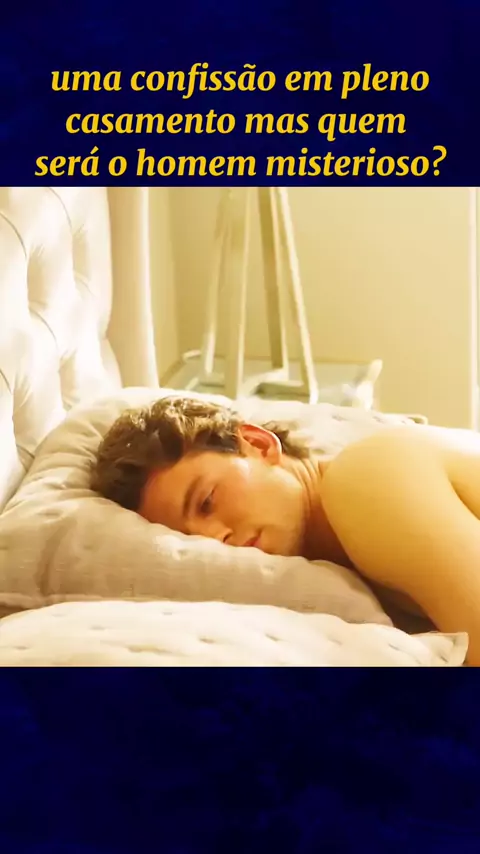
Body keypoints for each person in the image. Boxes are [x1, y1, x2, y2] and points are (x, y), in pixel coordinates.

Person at [91, 395, 480, 665]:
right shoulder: (345, 558)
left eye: (207, 501)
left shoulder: (362, 479)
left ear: (258, 444)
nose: (214, 538)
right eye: (190, 538)